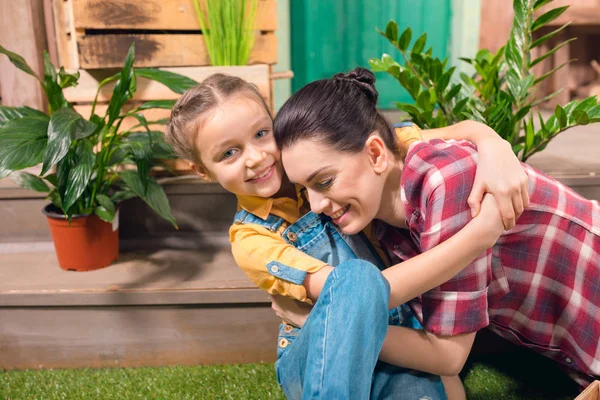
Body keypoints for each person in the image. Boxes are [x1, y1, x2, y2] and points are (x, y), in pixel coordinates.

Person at [164, 73, 522, 399]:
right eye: (229, 153)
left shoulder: (333, 155)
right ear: (202, 171)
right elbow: (351, 298)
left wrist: (494, 145)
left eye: (261, 134)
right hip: (316, 353)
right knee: (355, 278)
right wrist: (477, 237)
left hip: (393, 339)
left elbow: (443, 134)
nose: (256, 158)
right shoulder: (250, 239)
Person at [273, 67, 600, 391]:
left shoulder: (446, 181)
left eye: (325, 181)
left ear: (375, 154)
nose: (315, 205)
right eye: (305, 189)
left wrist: (322, 322)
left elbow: (447, 355)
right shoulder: (384, 214)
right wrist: (486, 137)